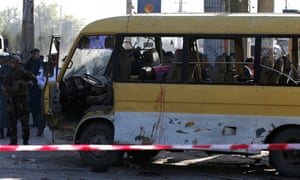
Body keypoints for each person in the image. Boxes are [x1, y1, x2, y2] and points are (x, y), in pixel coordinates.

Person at [2, 55, 37, 145]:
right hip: (12, 99)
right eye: (10, 63)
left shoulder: (23, 72)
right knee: (12, 121)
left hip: (22, 99)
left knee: (24, 121)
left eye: (12, 63)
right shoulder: (9, 73)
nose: (11, 64)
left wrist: (25, 85)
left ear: (17, 63)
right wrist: (6, 90)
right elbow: (4, 84)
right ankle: (13, 141)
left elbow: (33, 80)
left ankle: (26, 140)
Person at [25, 48, 43, 130]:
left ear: (38, 54)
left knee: (37, 105)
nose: (33, 56)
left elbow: (35, 73)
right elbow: (25, 69)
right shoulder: (31, 62)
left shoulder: (40, 63)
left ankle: (38, 122)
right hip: (31, 87)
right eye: (32, 54)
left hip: (37, 86)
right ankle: (35, 121)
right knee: (32, 105)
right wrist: (29, 60)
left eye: (34, 54)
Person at [0, 57, 11, 138]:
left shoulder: (15, 70)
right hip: (3, 94)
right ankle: (2, 132)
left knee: (10, 113)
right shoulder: (2, 69)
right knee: (3, 113)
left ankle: (8, 131)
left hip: (11, 93)